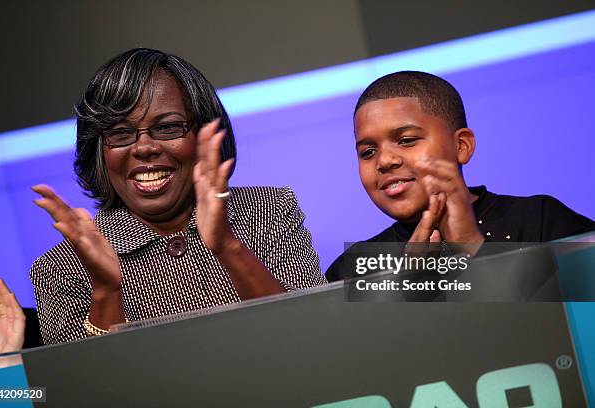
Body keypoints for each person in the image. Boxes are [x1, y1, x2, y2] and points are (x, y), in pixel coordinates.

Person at [31, 48, 325, 345]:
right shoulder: (61, 268)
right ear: (99, 150)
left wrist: (227, 246)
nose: (144, 147)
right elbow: (82, 387)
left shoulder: (269, 211)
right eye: (120, 133)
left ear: (204, 134)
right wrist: (107, 292)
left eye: (168, 127)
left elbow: (314, 338)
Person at [326, 71, 594, 282]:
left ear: (461, 146)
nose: (384, 161)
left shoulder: (540, 221)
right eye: (368, 151)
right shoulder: (353, 268)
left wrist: (471, 247)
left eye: (406, 140)